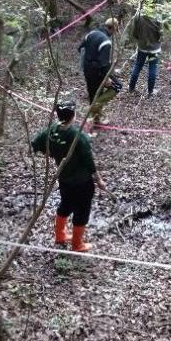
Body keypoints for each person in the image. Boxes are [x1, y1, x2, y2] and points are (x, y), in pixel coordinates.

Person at [31, 101, 106, 252]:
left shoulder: (52, 130)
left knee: (66, 204)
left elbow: (35, 143)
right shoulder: (77, 136)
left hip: (64, 178)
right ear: (73, 115)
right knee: (82, 210)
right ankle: (77, 244)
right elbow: (89, 160)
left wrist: (50, 152)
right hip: (82, 182)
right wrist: (99, 180)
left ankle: (60, 236)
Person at [78, 17, 121, 123]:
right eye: (116, 30)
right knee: (117, 86)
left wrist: (87, 61)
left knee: (93, 94)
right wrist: (107, 78)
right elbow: (103, 64)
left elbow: (80, 48)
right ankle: (93, 108)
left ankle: (96, 120)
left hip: (87, 69)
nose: (115, 33)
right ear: (113, 28)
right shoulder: (106, 42)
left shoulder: (91, 34)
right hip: (98, 72)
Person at [126, 11, 162, 96]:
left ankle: (131, 88)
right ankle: (150, 91)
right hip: (154, 48)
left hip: (142, 47)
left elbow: (135, 33)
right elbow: (160, 33)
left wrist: (141, 40)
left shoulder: (139, 15)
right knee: (152, 67)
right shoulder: (157, 15)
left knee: (138, 66)